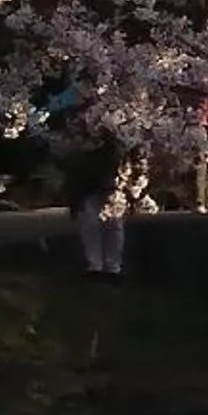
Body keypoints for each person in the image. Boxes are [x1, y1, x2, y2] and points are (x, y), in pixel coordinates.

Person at [54, 90, 144, 281]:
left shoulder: (117, 122)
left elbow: (125, 148)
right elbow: (70, 151)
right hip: (89, 179)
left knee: (113, 224)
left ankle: (112, 267)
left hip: (112, 177)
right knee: (92, 221)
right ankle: (96, 266)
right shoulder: (78, 120)